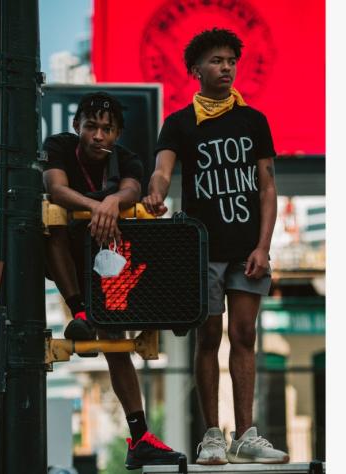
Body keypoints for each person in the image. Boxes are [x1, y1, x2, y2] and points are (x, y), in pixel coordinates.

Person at [142, 29, 289, 465]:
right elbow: (162, 171)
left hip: (247, 250)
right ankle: (212, 436)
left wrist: (264, 246)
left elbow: (267, 188)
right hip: (201, 250)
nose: (226, 68)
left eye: (231, 61)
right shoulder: (180, 122)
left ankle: (246, 434)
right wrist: (155, 192)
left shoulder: (253, 120)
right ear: (195, 71)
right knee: (207, 337)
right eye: (216, 61)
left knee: (245, 336)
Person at [43, 92, 183, 469]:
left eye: (107, 129)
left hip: (104, 259)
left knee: (117, 344)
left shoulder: (127, 159)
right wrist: (100, 206)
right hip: (64, 258)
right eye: (91, 127)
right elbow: (56, 187)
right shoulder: (58, 146)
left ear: (117, 132)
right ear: (77, 128)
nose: (98, 136)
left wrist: (113, 203)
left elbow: (133, 189)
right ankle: (79, 311)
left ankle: (140, 438)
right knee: (53, 219)